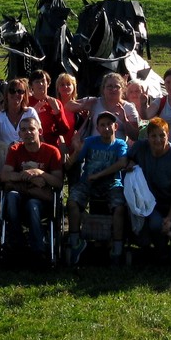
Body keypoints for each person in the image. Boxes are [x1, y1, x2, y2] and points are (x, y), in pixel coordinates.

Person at [67, 111, 129, 265]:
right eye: (102, 125)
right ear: (98, 128)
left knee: (119, 208)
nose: (106, 128)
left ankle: (117, 248)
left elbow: (122, 163)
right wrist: (76, 150)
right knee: (72, 202)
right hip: (87, 183)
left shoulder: (120, 144)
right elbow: (72, 163)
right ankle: (75, 243)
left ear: (115, 127)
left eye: (109, 124)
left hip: (112, 184)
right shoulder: (90, 142)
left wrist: (99, 175)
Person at [2, 116, 64, 261]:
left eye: (31, 129)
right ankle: (17, 242)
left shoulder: (52, 151)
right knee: (11, 196)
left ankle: (38, 250)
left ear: (39, 131)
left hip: (41, 200)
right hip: (21, 195)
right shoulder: (15, 150)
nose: (28, 133)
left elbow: (58, 182)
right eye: (23, 130)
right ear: (19, 134)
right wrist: (30, 177)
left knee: (32, 204)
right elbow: (4, 176)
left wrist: (40, 172)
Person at [126, 117, 171, 263]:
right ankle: (161, 253)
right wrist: (130, 162)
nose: (158, 140)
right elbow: (125, 158)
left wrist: (170, 217)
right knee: (156, 224)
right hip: (150, 204)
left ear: (168, 135)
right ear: (147, 137)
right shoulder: (140, 147)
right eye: (153, 136)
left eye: (162, 135)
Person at [66, 72, 141, 142]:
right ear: (103, 88)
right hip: (93, 148)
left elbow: (135, 136)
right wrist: (83, 105)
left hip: (117, 149)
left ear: (122, 89)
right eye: (109, 86)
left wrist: (125, 120)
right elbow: (68, 106)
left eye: (117, 86)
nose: (113, 89)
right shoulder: (95, 102)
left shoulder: (129, 108)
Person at [0, 78, 38, 172]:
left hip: (27, 157)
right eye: (12, 91)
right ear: (6, 95)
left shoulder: (30, 112)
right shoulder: (1, 114)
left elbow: (38, 135)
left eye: (20, 91)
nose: (16, 94)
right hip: (5, 159)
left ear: (24, 95)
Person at [28, 69, 71, 153]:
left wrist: (58, 113)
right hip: (31, 146)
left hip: (51, 147)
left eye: (43, 81)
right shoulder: (26, 102)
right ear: (31, 85)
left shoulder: (55, 102)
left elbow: (65, 130)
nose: (41, 84)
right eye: (37, 82)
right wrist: (32, 112)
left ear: (48, 84)